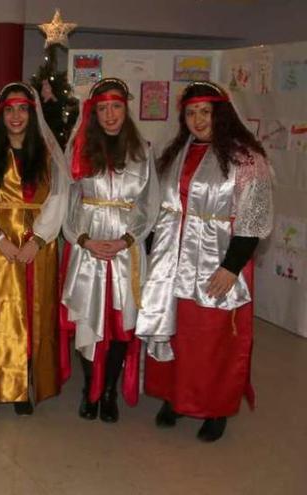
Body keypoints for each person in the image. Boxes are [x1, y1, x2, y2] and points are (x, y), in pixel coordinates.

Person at [138, 81, 273, 442]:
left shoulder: (246, 159)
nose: (198, 120)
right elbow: (160, 209)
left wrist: (232, 267)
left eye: (205, 112)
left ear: (221, 114)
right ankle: (175, 397)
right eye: (191, 113)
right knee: (176, 331)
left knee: (212, 339)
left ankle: (215, 407)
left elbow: (254, 220)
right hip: (173, 261)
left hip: (218, 262)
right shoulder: (176, 152)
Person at [0, 82, 68, 414]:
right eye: (9, 109)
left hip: (39, 246)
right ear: (0, 114)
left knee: (34, 316)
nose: (16, 116)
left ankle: (23, 388)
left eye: (22, 109)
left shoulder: (49, 154)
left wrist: (37, 240)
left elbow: (59, 199)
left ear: (32, 114)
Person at [60, 78, 159, 423]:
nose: (110, 114)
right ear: (94, 113)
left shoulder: (142, 151)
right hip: (88, 251)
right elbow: (68, 204)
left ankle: (109, 391)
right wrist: (82, 239)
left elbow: (149, 204)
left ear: (126, 109)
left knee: (120, 324)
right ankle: (90, 388)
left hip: (125, 252)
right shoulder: (79, 150)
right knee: (89, 321)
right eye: (102, 108)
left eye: (116, 106)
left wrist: (127, 240)